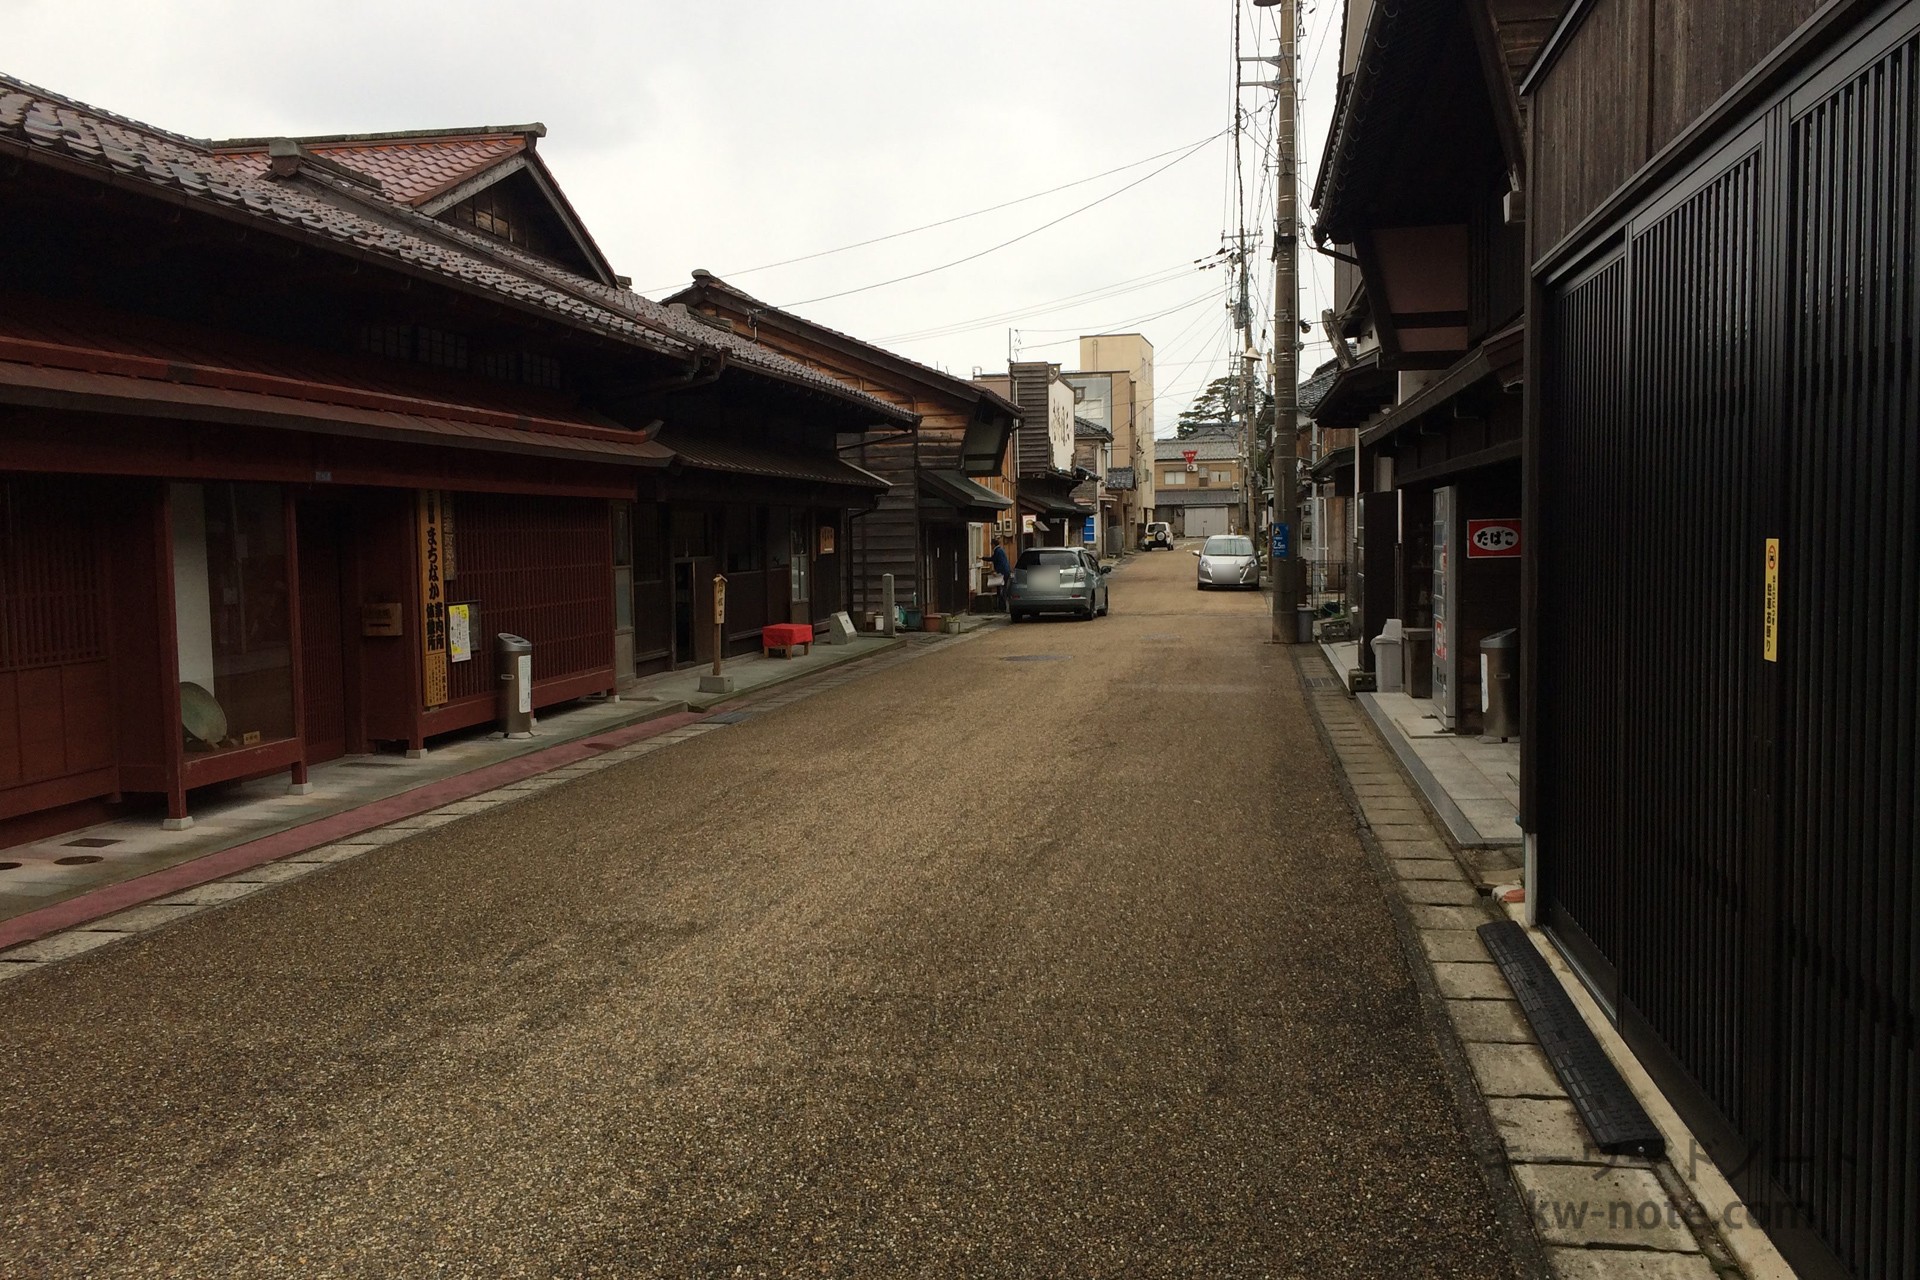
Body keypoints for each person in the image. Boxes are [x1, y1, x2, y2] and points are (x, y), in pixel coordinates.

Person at [983, 536, 1014, 612]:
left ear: (993, 544)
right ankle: (1002, 607)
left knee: (1001, 590)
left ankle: (1002, 607)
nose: (991, 546)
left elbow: (994, 559)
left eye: (991, 544)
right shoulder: (1001, 550)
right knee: (1002, 589)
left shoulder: (997, 551)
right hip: (1006, 572)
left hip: (1002, 573)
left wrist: (982, 558)